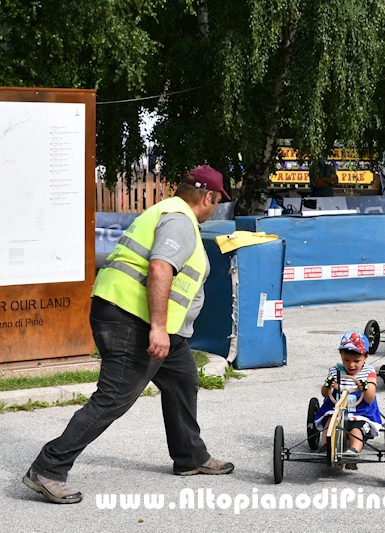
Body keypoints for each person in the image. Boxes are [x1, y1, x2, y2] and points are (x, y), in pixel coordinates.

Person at [23, 165, 234, 505]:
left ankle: (190, 457)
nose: (216, 206)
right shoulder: (180, 221)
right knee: (114, 397)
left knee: (182, 380)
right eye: (217, 201)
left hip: (142, 318)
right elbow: (160, 268)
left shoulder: (166, 212)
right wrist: (158, 328)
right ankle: (48, 468)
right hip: (132, 318)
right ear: (208, 197)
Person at [314, 331, 382, 469]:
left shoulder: (368, 372)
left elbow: (370, 398)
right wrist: (329, 385)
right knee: (329, 424)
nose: (351, 365)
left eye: (356, 361)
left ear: (365, 357)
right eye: (347, 360)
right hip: (336, 410)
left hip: (360, 412)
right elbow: (324, 393)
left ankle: (352, 452)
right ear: (341, 356)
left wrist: (365, 387)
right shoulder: (335, 371)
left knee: (356, 430)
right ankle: (326, 447)